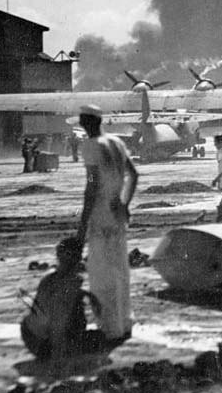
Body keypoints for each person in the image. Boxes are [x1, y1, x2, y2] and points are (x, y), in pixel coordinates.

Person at [75, 104, 137, 343]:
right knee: (120, 269)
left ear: (87, 121)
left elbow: (91, 185)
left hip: (101, 214)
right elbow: (133, 174)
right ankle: (124, 323)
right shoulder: (117, 143)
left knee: (101, 273)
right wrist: (124, 203)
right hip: (117, 213)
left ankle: (110, 327)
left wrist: (82, 224)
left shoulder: (90, 147)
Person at [20, 237, 106, 361]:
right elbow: (56, 317)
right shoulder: (68, 282)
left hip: (36, 340)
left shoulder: (50, 279)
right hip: (49, 343)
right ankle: (65, 349)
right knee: (98, 338)